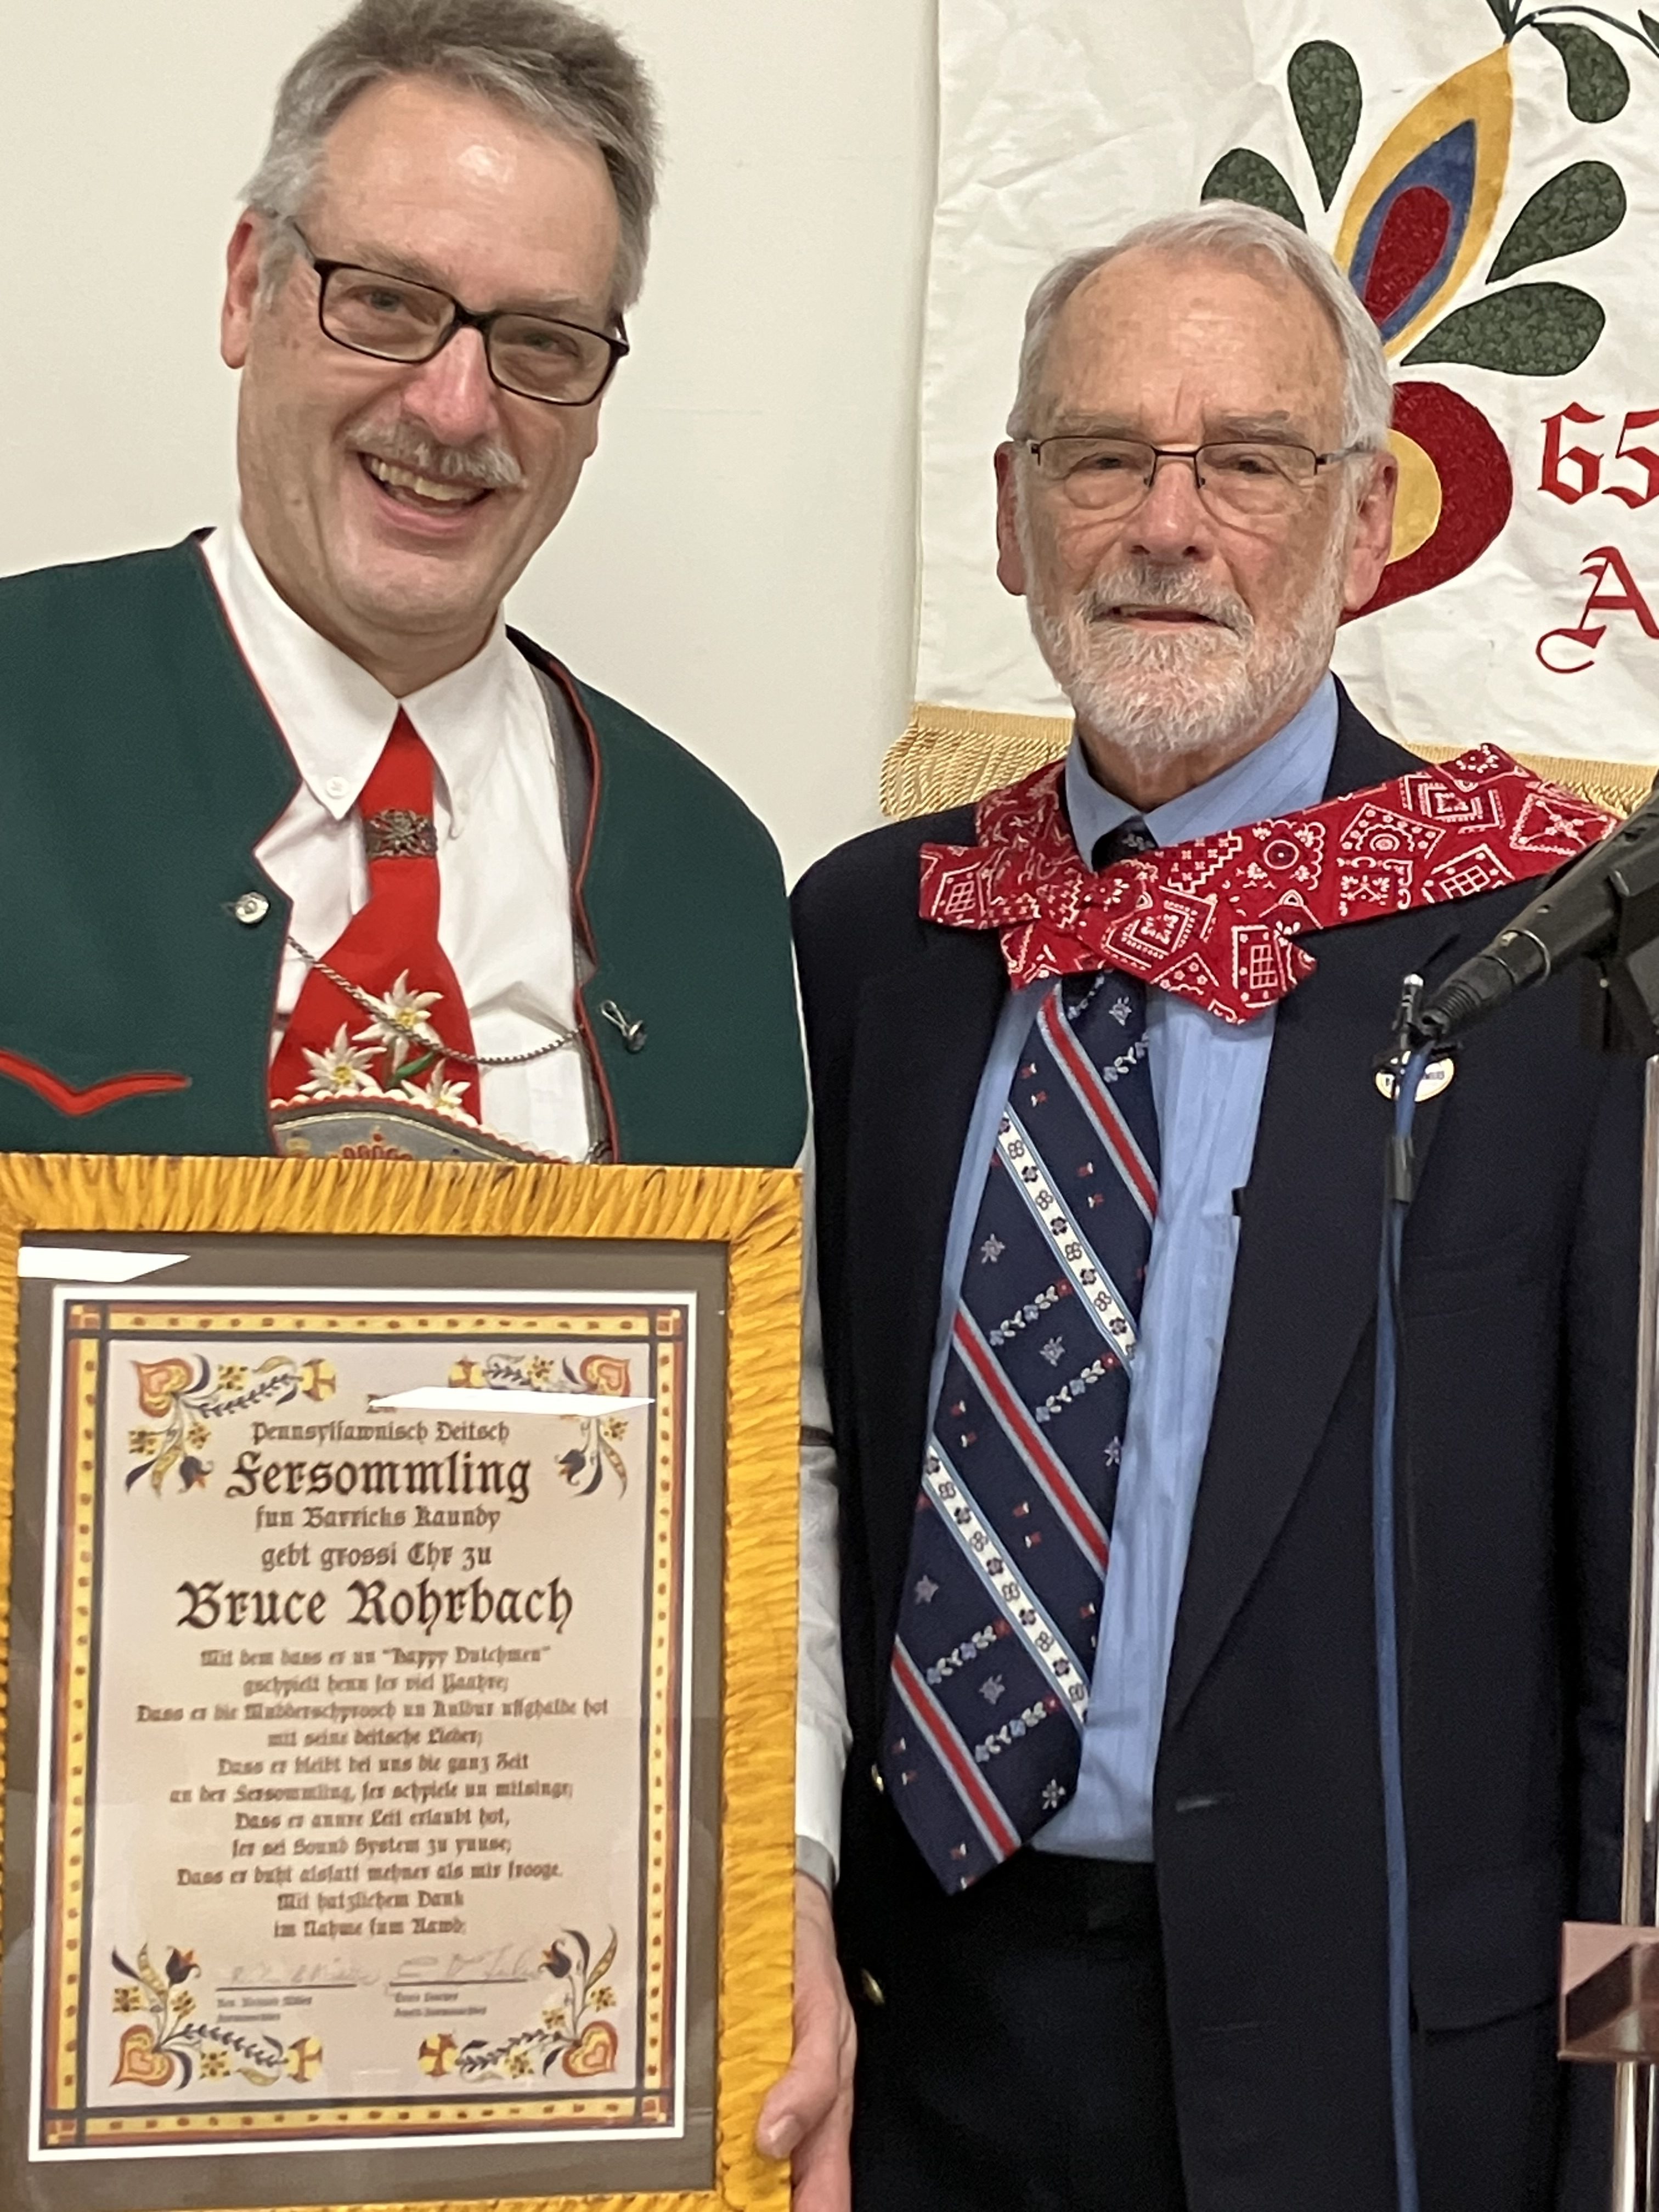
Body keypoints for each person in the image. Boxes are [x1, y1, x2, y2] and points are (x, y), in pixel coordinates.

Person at [786, 202, 1640, 2211]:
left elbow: (1627, 1626)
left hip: (1380, 2060)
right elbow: (793, 1480)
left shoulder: (1552, 958)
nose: (1167, 523)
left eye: (1246, 461)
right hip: (920, 2032)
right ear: (1011, 514)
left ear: (1360, 529)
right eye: (1103, 456)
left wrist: (1618, 2090)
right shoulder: (870, 934)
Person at [0, 0, 804, 1177]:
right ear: (246, 290)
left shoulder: (713, 876)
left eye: (540, 340)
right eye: (384, 301)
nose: (453, 408)